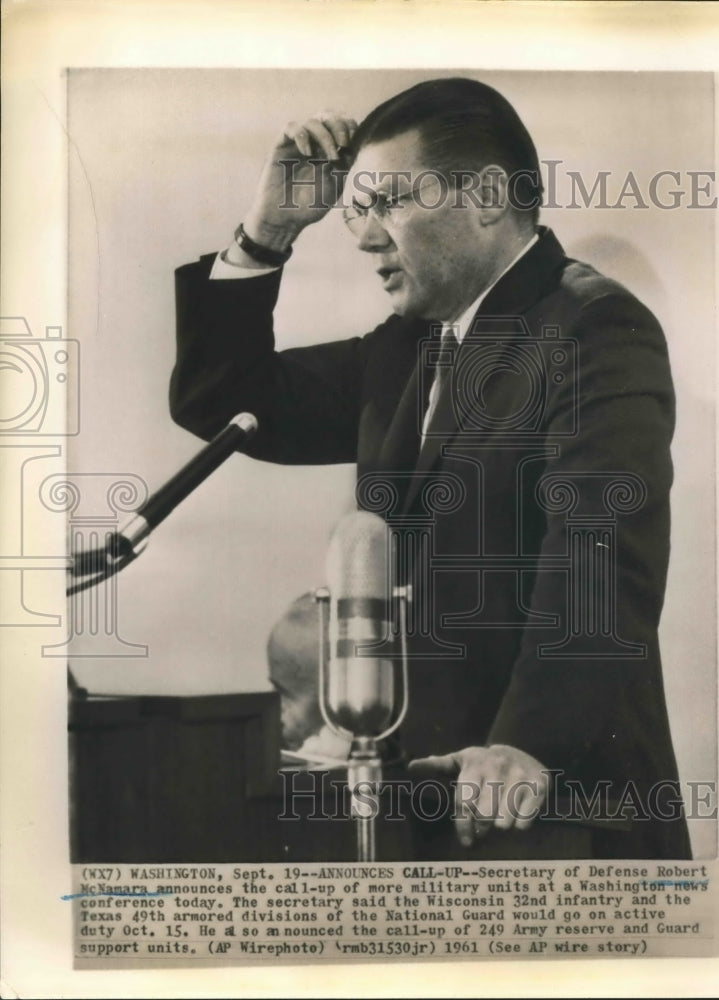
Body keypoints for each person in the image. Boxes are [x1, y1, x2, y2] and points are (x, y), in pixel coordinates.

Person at [170, 77, 691, 859]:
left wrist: (522, 750)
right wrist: (266, 232)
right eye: (356, 208)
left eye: (386, 203)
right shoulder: (410, 347)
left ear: (484, 196)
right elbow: (225, 404)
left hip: (548, 817)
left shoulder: (593, 326)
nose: (363, 235)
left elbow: (597, 563)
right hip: (426, 815)